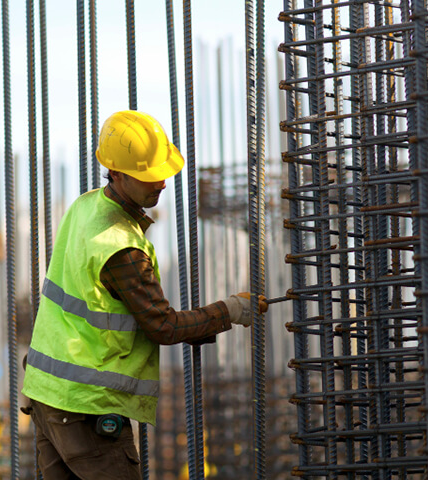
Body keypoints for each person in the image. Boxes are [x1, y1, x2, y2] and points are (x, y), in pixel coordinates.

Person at [21, 110, 268, 479]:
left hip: (47, 394)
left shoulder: (86, 206)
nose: (161, 183)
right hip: (86, 407)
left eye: (162, 172)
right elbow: (163, 326)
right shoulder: (121, 247)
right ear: (116, 173)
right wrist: (231, 310)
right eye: (148, 176)